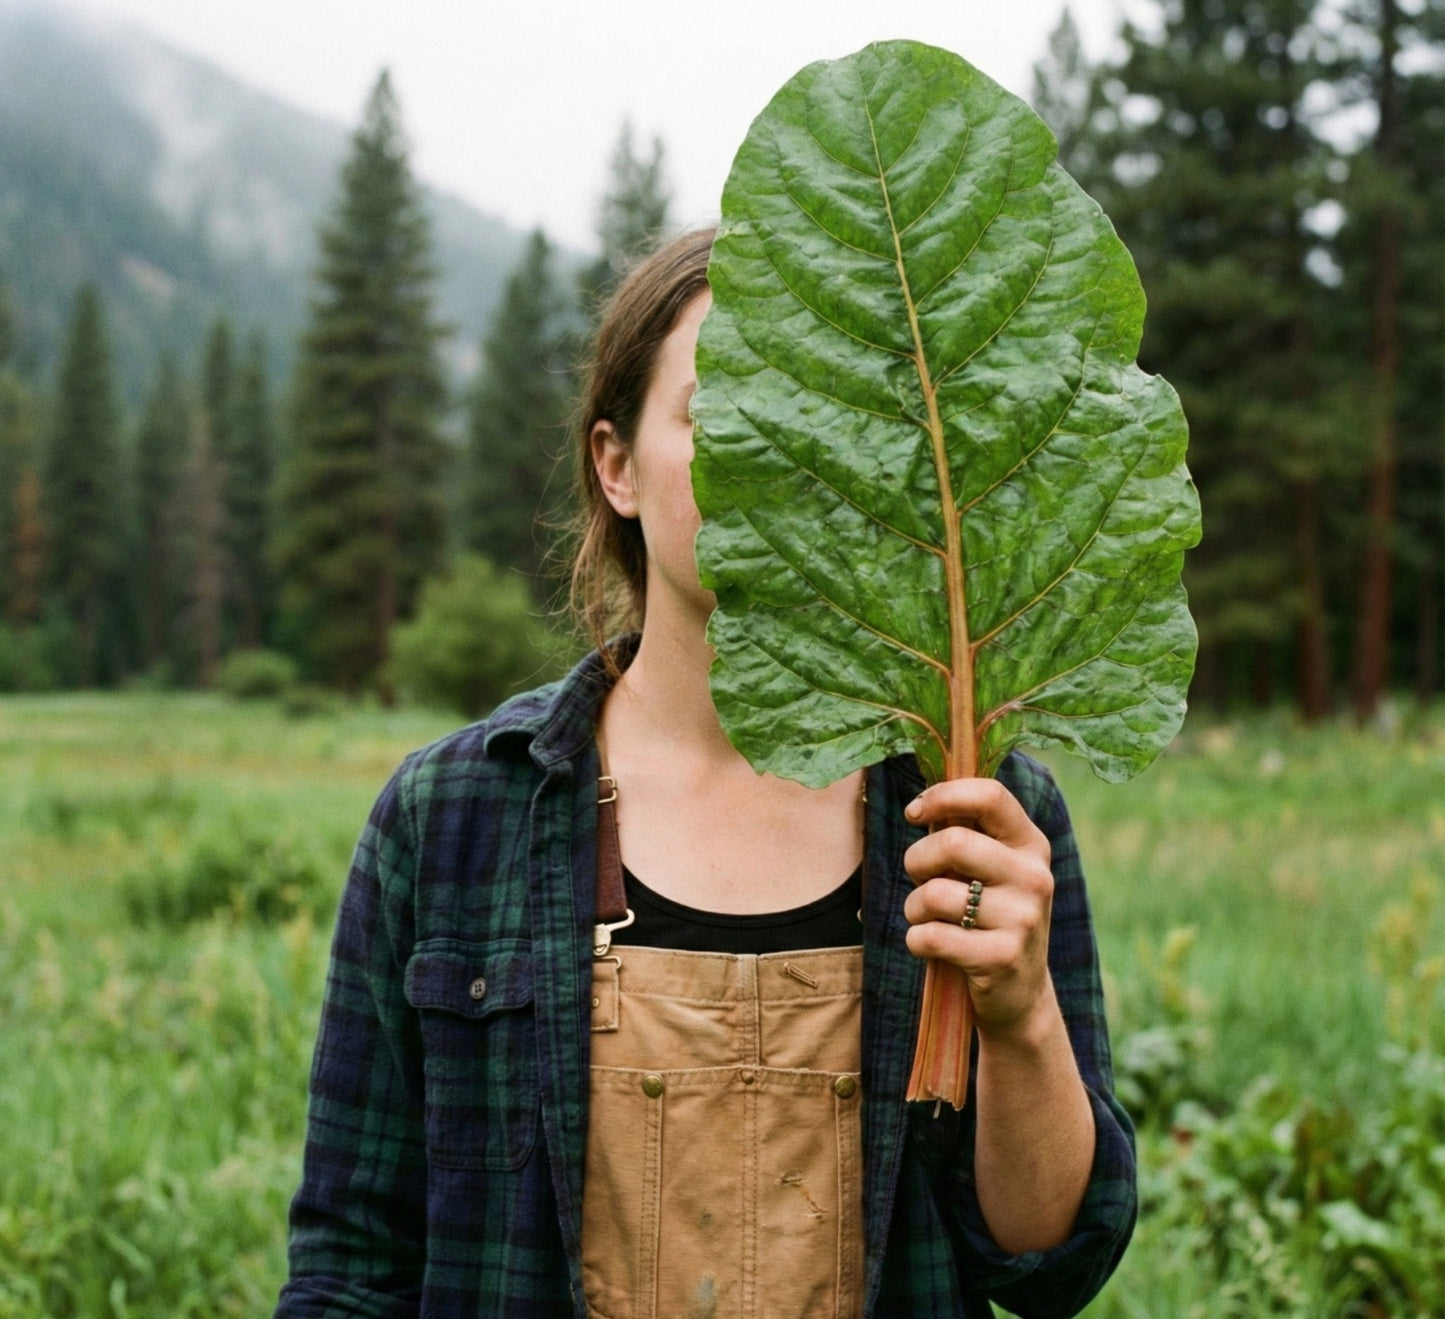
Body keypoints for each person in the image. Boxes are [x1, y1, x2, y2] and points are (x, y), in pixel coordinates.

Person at [276, 227, 1136, 1319]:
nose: (770, 445)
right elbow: (350, 1270)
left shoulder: (968, 807)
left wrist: (1016, 1017)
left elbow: (1054, 1264)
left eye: (813, 407)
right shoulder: (449, 816)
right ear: (615, 464)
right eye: (721, 402)